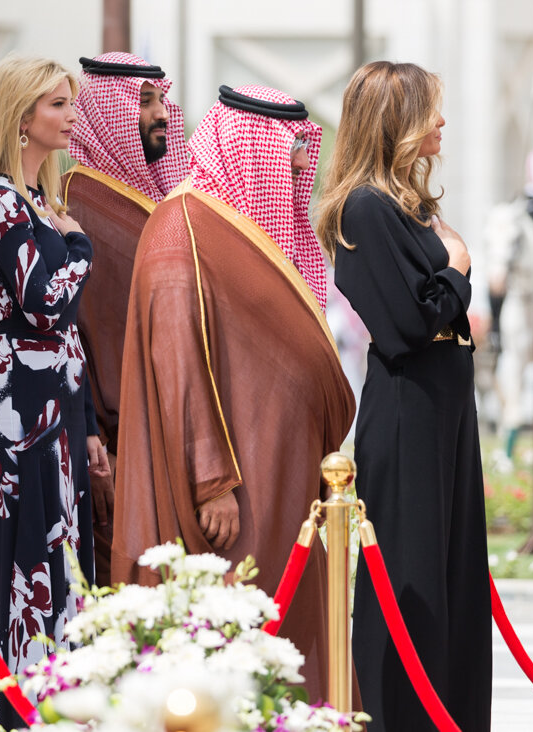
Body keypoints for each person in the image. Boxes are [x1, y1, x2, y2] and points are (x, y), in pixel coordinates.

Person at [111, 84, 355, 704]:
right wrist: (212, 482)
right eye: (291, 148)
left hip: (282, 479)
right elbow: (179, 365)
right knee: (234, 639)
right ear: (248, 145)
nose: (304, 164)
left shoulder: (241, 233)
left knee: (284, 639)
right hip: (233, 494)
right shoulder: (182, 229)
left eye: (304, 146)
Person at [317, 61, 491, 731]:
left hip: (442, 408)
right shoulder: (364, 208)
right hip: (408, 410)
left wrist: (448, 273)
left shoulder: (405, 209)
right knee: (412, 586)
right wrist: (456, 268)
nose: (441, 123)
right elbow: (407, 326)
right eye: (430, 111)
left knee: (453, 581)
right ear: (398, 123)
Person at [0, 55, 108, 732]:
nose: (71, 114)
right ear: (23, 119)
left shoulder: (37, 204)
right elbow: (47, 302)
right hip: (21, 410)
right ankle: (18, 718)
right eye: (57, 104)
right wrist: (79, 247)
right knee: (25, 563)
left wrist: (86, 430)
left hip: (55, 411)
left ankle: (54, 713)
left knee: (60, 560)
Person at [61, 52, 188, 586]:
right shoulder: (79, 205)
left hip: (160, 447)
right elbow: (83, 336)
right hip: (112, 451)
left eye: (161, 100)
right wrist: (100, 445)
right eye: (144, 102)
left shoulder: (153, 206)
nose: (161, 113)